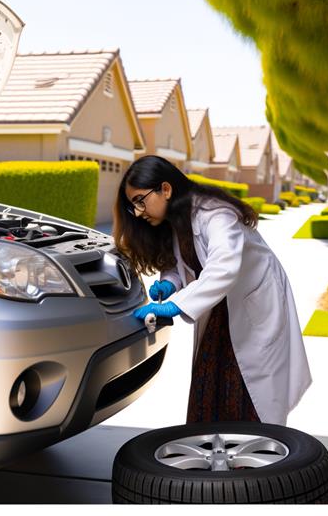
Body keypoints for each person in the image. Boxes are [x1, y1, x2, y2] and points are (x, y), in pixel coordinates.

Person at [114, 155, 311, 425]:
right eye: (132, 205)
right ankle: (212, 451)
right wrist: (171, 282)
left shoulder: (216, 214)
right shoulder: (177, 218)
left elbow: (223, 268)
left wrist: (175, 306)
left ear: (166, 189)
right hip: (220, 306)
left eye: (140, 200)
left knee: (247, 388)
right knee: (210, 379)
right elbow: (184, 261)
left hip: (254, 303)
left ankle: (251, 462)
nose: (137, 212)